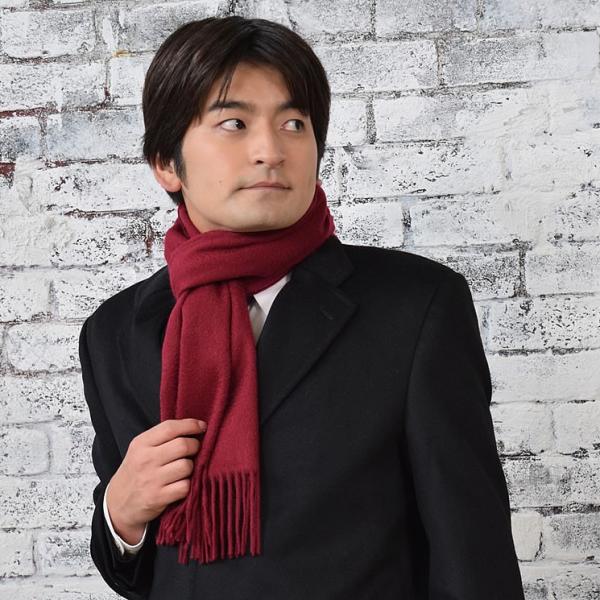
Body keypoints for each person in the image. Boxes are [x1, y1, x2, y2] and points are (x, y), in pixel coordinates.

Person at [78, 15, 526, 600]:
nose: (270, 151)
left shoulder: (416, 307)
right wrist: (122, 513)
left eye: (294, 123)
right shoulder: (114, 332)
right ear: (166, 162)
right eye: (234, 123)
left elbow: (473, 555)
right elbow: (135, 573)